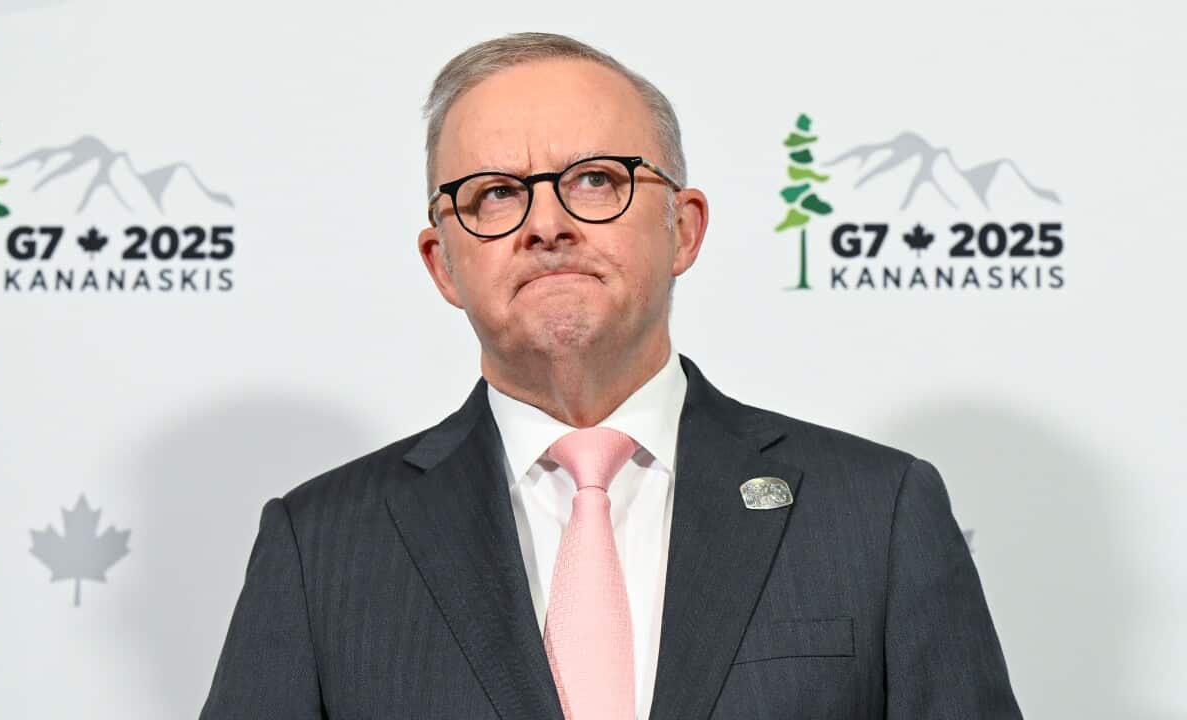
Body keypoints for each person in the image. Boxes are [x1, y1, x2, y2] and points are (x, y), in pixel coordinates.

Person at [200, 32, 1022, 720]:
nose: (547, 225)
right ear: (442, 263)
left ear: (684, 229)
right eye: (492, 195)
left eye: (596, 179)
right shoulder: (320, 547)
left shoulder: (876, 513)